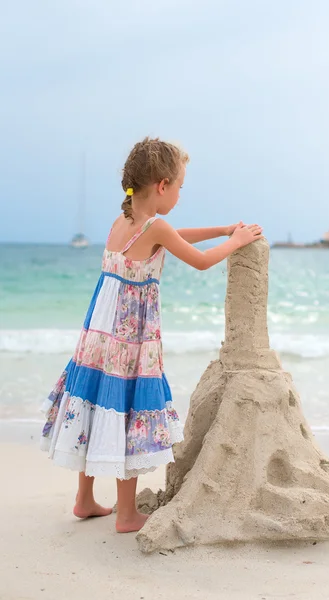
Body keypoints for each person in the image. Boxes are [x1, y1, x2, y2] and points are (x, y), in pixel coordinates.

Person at [40, 137, 263, 533]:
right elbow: (198, 261)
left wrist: (221, 227)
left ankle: (84, 499)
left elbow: (174, 236)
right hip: (131, 340)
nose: (179, 193)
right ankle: (126, 515)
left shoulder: (124, 220)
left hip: (99, 337)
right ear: (162, 186)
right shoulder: (155, 227)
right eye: (179, 186)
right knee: (125, 410)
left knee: (95, 404)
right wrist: (236, 241)